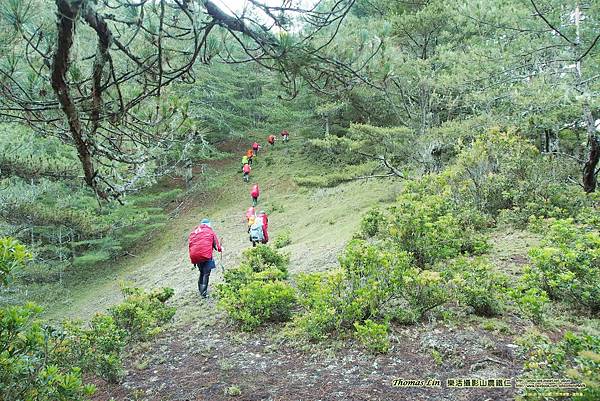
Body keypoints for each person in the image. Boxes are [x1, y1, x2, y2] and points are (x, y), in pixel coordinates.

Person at [188, 219, 222, 298]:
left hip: (195, 256)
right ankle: (203, 293)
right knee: (206, 274)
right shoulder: (210, 232)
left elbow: (191, 245)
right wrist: (220, 249)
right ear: (208, 224)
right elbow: (216, 246)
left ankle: (201, 290)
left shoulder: (195, 232)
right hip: (206, 255)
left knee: (202, 272)